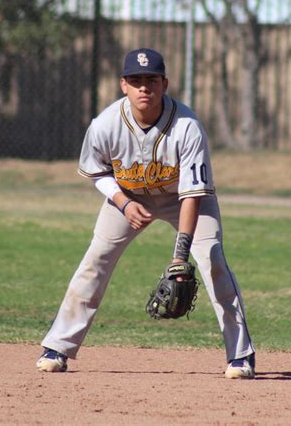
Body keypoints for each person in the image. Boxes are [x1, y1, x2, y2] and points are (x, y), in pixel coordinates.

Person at [36, 48, 255, 379]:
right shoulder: (105, 125)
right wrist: (123, 202)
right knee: (96, 260)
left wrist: (180, 255)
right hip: (129, 196)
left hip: (182, 198)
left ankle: (240, 356)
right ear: (123, 85)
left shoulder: (188, 127)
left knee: (213, 262)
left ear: (164, 83)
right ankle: (58, 347)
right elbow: (96, 172)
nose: (144, 88)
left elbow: (192, 193)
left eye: (151, 80)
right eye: (136, 80)